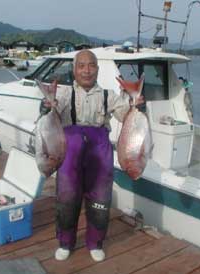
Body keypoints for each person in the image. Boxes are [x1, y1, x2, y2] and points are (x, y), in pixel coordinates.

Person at [42, 49, 142, 262]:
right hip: (69, 152)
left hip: (100, 152)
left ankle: (95, 242)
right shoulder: (63, 94)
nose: (86, 70)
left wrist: (136, 103)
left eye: (91, 65)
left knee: (100, 199)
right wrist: (46, 106)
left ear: (97, 69)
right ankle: (65, 242)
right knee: (67, 199)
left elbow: (126, 115)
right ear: (74, 70)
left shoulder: (109, 96)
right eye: (81, 65)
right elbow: (51, 114)